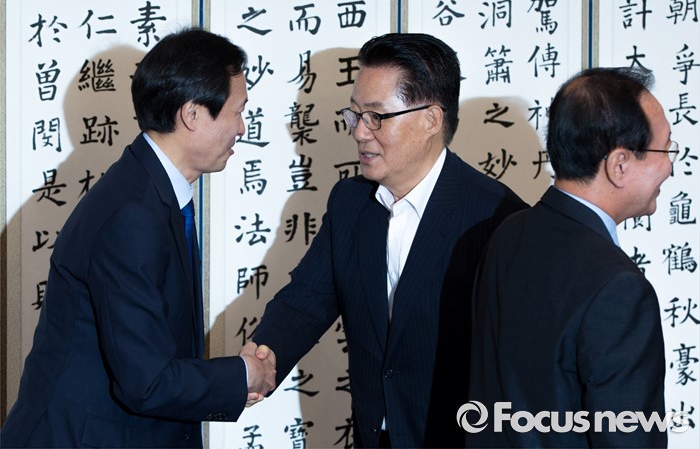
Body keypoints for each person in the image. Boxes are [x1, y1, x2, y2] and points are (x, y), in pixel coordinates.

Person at [1, 28, 275, 448]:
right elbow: (147, 381)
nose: (241, 127)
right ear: (192, 114)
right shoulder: (133, 214)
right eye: (236, 112)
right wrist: (242, 375)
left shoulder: (148, 191)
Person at [252, 32, 528, 448]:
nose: (360, 133)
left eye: (377, 117)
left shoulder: (498, 218)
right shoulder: (350, 203)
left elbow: (518, 364)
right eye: (355, 114)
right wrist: (262, 358)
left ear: (431, 119)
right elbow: (305, 300)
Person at [467, 67, 671, 448]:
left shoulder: (508, 233)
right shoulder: (619, 288)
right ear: (620, 164)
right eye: (665, 149)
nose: (670, 167)